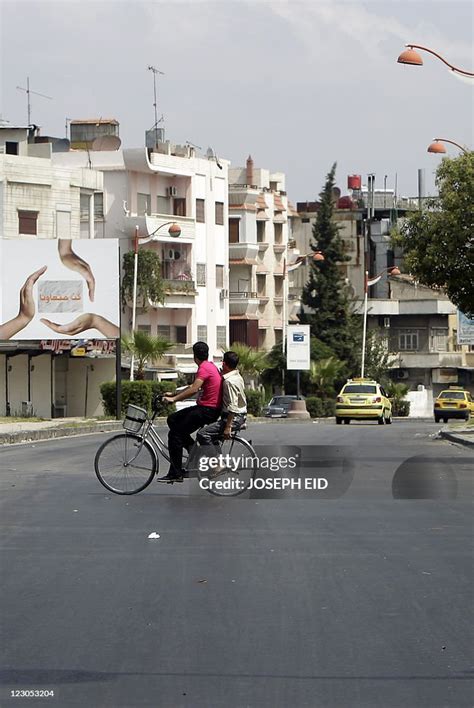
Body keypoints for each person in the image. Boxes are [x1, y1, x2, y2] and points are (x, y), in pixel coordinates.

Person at [160, 341, 223, 483]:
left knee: (174, 434)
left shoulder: (204, 369)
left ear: (195, 356)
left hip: (207, 410)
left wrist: (174, 399)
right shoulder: (209, 366)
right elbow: (193, 386)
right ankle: (192, 448)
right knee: (172, 419)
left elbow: (194, 390)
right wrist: (174, 392)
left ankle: (176, 473)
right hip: (208, 408)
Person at [197, 350, 247, 451]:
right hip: (240, 415)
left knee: (202, 434)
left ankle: (217, 463)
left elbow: (233, 406)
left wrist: (228, 427)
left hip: (233, 418)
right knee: (213, 438)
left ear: (224, 363)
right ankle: (215, 459)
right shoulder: (237, 376)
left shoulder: (229, 382)